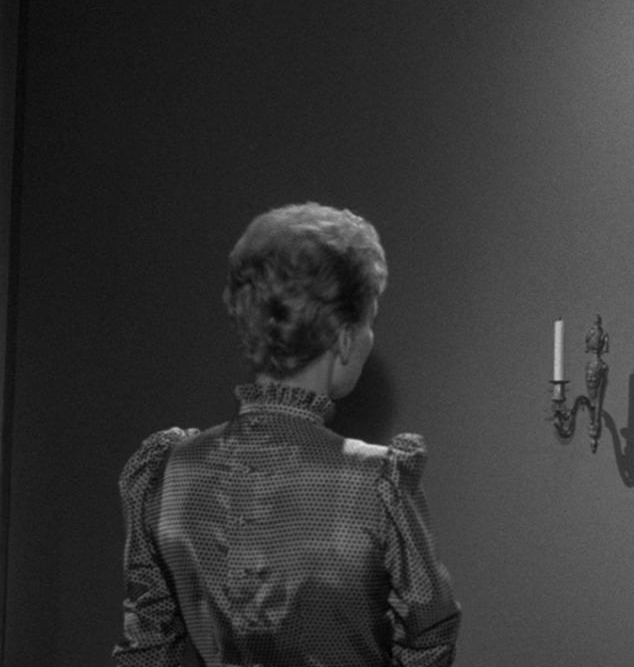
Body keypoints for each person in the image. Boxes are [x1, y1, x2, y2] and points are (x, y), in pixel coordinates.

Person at [114, 203, 460, 666]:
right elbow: (427, 641)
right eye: (369, 322)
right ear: (343, 337)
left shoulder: (168, 472)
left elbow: (148, 648)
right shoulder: (375, 482)